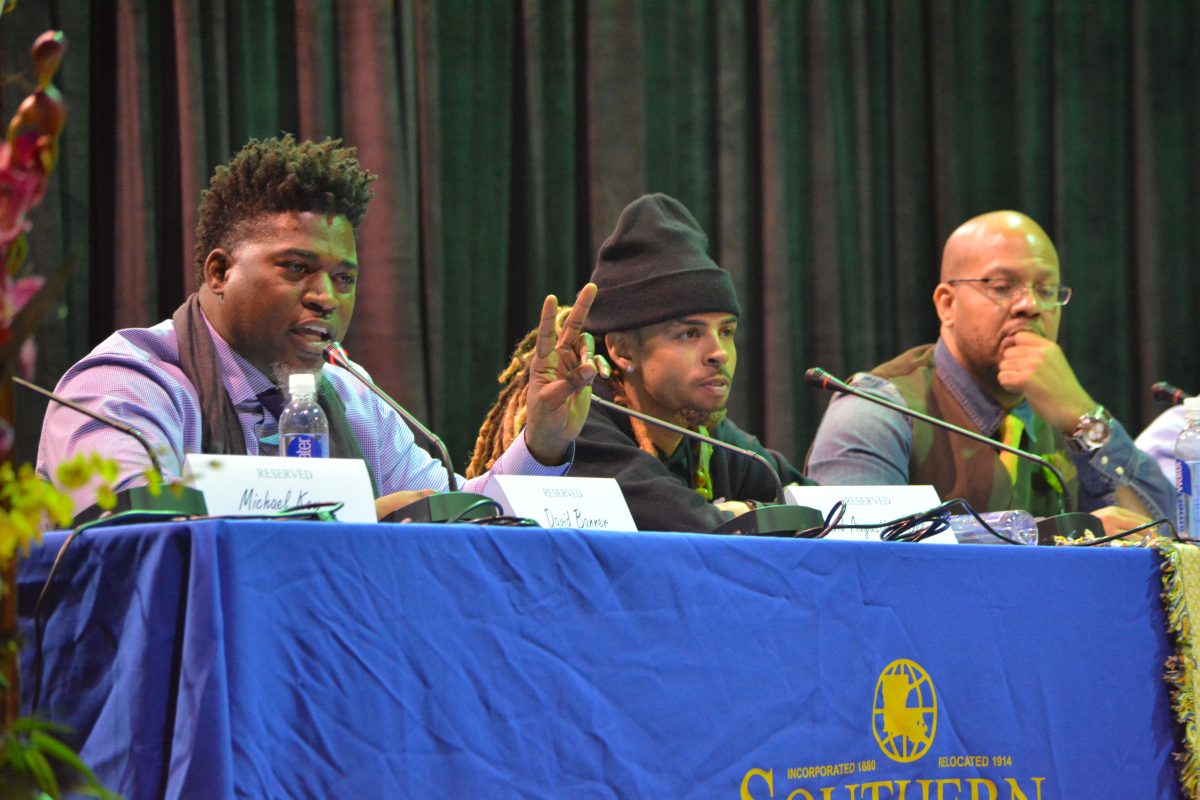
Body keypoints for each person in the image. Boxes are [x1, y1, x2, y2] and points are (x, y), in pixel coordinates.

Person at [37, 135, 600, 518]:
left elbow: (456, 511)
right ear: (219, 271)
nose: (326, 298)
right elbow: (124, 541)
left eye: (345, 279)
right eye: (297, 269)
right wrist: (356, 519)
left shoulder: (349, 394)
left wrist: (542, 444)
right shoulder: (127, 386)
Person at [806, 210, 1171, 531]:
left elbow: (1169, 546)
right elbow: (853, 557)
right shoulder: (877, 409)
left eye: (1046, 290)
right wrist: (1056, 535)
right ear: (947, 305)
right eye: (1002, 286)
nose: (1030, 305)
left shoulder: (1068, 418)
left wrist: (1083, 417)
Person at [468, 193, 812, 533]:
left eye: (726, 331)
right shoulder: (578, 423)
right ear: (623, 351)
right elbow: (684, 524)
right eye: (690, 334)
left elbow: (825, 509)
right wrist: (754, 512)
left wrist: (746, 511)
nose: (718, 352)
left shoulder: (708, 437)